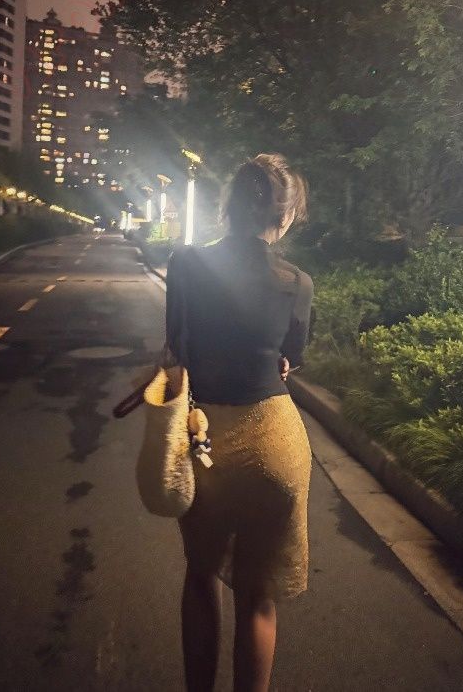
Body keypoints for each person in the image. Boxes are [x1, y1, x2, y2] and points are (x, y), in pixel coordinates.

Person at [164, 153, 314, 692]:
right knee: (258, 598)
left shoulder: (186, 264)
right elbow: (290, 358)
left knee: (201, 574)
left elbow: (176, 348)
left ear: (228, 205)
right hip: (275, 441)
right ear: (286, 215)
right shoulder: (297, 282)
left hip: (206, 437)